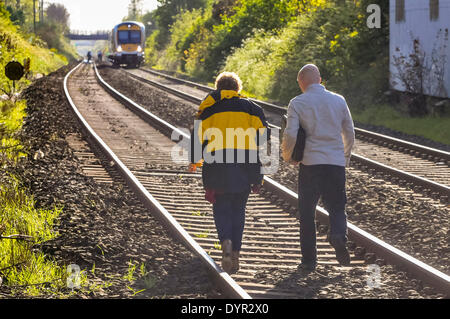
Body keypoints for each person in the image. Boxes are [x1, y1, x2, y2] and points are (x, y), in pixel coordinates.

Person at [189, 72, 269, 274]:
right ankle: (235, 252)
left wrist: (194, 162)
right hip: (245, 166)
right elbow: (263, 136)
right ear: (237, 89)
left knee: (221, 207)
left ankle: (225, 240)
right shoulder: (251, 108)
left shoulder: (208, 110)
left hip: (216, 167)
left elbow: (198, 138)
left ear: (218, 89)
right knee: (239, 209)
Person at [281, 64, 355, 271]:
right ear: (320, 80)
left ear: (301, 83)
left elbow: (290, 134)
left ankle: (309, 260)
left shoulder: (297, 102)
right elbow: (349, 132)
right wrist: (344, 158)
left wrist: (288, 156)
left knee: (306, 212)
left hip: (311, 164)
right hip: (335, 163)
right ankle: (339, 236)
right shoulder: (339, 100)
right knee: (337, 206)